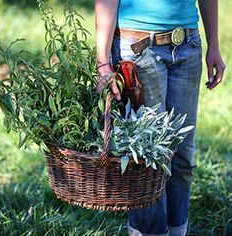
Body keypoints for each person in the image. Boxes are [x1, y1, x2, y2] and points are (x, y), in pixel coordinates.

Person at [94, 0, 225, 235]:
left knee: (182, 157)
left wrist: (214, 44)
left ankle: (178, 230)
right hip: (139, 47)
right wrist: (103, 62)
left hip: (188, 45)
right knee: (148, 160)